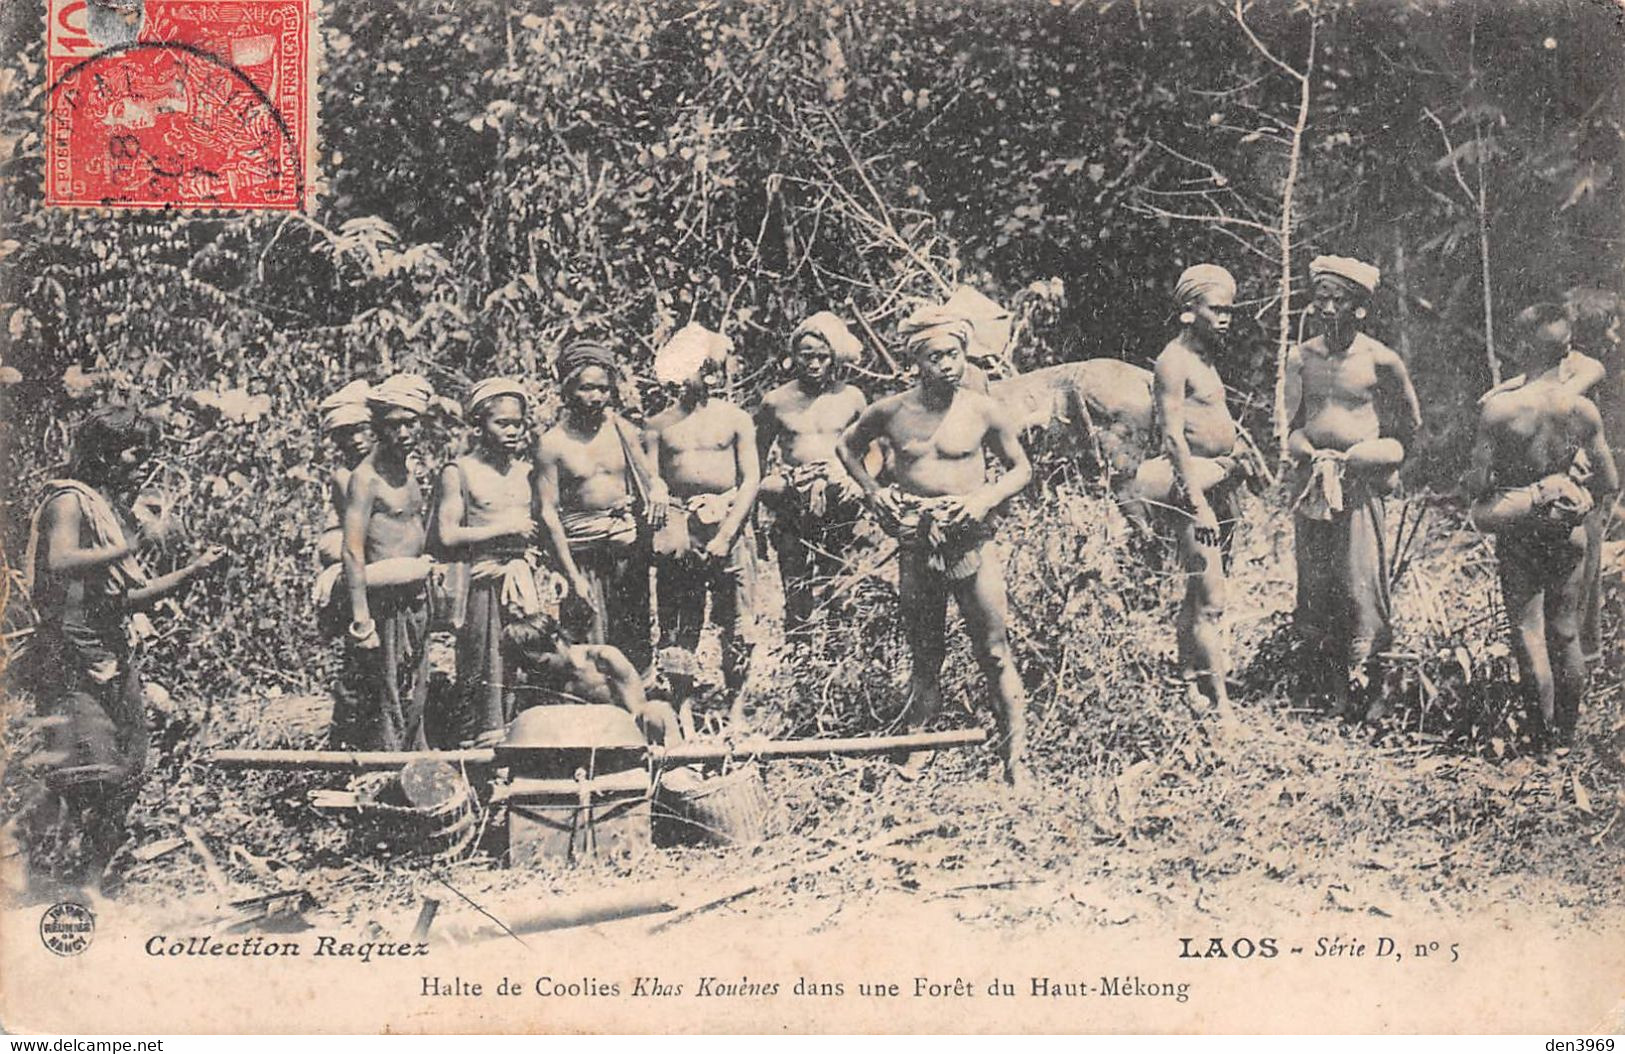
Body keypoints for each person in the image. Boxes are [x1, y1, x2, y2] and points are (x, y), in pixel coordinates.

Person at [16, 405, 227, 894]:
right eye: (132, 451)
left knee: (131, 767)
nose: (139, 462)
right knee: (91, 771)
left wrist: (189, 573)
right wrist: (130, 545)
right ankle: (38, 872)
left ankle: (88, 879)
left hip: (110, 648)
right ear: (104, 452)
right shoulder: (68, 502)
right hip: (68, 652)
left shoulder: (105, 511)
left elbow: (121, 600)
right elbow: (62, 560)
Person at [837, 302, 1035, 789]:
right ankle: (918, 748)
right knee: (925, 655)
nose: (947, 365)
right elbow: (846, 446)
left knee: (993, 652)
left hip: (971, 539)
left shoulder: (984, 409)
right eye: (935, 357)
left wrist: (985, 498)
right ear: (917, 362)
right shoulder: (891, 411)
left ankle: (1016, 758)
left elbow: (1021, 468)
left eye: (954, 354)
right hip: (916, 540)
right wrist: (874, 492)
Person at [1467, 303, 1618, 749]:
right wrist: (1571, 484)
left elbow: (1477, 484)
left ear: (1519, 349)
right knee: (1566, 630)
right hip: (1567, 527)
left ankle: (1541, 744)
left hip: (1521, 526)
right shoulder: (1582, 410)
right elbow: (1609, 480)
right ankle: (1567, 740)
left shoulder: (1499, 410)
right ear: (1566, 351)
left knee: (1528, 632)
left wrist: (1513, 488)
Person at [1281, 255, 1422, 720]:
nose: (1325, 308)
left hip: (1360, 488)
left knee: (1361, 584)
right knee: (1317, 583)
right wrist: (1309, 451)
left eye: (1337, 300)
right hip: (1314, 488)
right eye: (1320, 298)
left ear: (1359, 308)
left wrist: (1378, 458)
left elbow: (1410, 427)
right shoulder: (1300, 358)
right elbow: (1292, 426)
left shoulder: (1381, 359)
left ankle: (1374, 692)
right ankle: (1324, 689)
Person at [1129, 264, 1249, 709]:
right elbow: (1174, 436)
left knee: (1200, 590)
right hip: (1191, 494)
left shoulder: (1204, 357)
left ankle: (1189, 680)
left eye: (1229, 311)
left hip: (1217, 485)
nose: (1225, 318)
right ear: (1187, 312)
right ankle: (1221, 706)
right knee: (1212, 597)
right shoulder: (1173, 361)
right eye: (1215, 310)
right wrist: (1195, 499)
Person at [646, 323, 762, 732]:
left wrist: (729, 532)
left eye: (715, 368)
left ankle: (736, 706)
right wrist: (658, 487)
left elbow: (751, 479)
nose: (709, 376)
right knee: (680, 621)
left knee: (737, 623)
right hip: (682, 529)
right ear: (681, 372)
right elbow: (649, 476)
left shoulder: (736, 419)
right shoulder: (658, 425)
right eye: (701, 368)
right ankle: (681, 704)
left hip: (728, 524)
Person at [535, 340, 667, 676]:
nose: (596, 397)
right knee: (589, 651)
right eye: (586, 388)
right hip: (583, 557)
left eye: (603, 389)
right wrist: (571, 575)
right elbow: (548, 513)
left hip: (625, 553)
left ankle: (635, 717)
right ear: (567, 390)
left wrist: (659, 490)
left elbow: (650, 475)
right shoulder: (552, 444)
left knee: (633, 643)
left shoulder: (622, 430)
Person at [433, 378, 542, 747]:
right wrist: (504, 528)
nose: (512, 431)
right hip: (481, 581)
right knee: (480, 666)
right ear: (479, 424)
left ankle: (521, 742)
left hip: (524, 581)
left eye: (517, 423)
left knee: (524, 664)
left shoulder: (528, 471)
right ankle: (474, 749)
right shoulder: (459, 471)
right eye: (502, 423)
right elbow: (447, 534)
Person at [755, 311, 869, 638]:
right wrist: (760, 508)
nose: (815, 364)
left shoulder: (851, 397)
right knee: (795, 580)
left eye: (822, 356)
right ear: (794, 357)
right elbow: (756, 459)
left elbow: (875, 449)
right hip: (794, 500)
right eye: (807, 356)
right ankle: (801, 656)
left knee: (842, 580)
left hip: (842, 500)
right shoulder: (776, 402)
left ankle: (840, 655)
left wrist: (857, 483)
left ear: (833, 358)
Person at [342, 373, 437, 750]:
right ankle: (389, 770)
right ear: (379, 428)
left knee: (416, 684)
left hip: (416, 595)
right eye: (395, 424)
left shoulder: (409, 471)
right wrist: (362, 619)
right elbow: (352, 549)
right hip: (385, 602)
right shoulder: (365, 478)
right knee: (389, 692)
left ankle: (415, 764)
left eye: (411, 422)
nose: (404, 432)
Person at [504, 611, 681, 746]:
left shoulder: (604, 659)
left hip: (617, 740)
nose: (537, 672)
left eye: (543, 663)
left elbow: (639, 711)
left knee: (656, 710)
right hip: (569, 745)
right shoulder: (537, 676)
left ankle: (678, 771)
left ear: (555, 640)